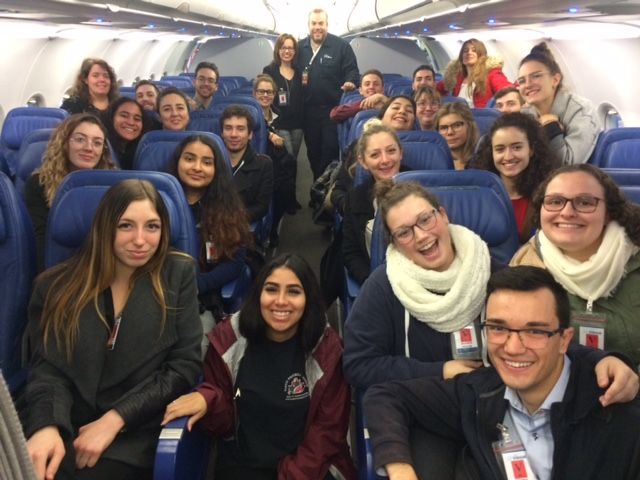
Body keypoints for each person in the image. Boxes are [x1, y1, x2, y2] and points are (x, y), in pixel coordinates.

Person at [364, 266, 640, 480]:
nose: (513, 347)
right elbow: (385, 396)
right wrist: (401, 470)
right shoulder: (478, 393)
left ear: (565, 340)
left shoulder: (615, 411)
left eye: (534, 331)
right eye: (498, 328)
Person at [23, 179, 202, 480]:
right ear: (105, 227)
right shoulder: (56, 286)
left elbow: (183, 367)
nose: (140, 240)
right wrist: (46, 425)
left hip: (133, 431)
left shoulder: (177, 275)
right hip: (66, 420)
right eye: (126, 226)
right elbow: (48, 370)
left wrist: (115, 419)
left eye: (152, 227)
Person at [162, 253, 357, 480]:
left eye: (293, 291)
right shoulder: (230, 340)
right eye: (271, 289)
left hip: (308, 468)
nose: (281, 301)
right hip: (244, 465)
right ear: (258, 294)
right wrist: (209, 398)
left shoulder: (327, 350)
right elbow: (224, 422)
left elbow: (327, 432)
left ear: (308, 299)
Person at [343, 181, 490, 392]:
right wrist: (439, 372)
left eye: (426, 219)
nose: (421, 236)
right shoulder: (382, 287)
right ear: (394, 243)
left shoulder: (488, 271)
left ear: (443, 215)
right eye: (404, 233)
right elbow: (359, 365)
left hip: (489, 402)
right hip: (419, 406)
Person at [510, 164, 640, 368]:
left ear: (608, 213)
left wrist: (633, 382)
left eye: (585, 202)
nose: (567, 212)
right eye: (555, 202)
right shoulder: (523, 264)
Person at [169, 135, 252, 323]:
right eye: (189, 159)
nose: (197, 168)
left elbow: (234, 263)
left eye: (207, 162)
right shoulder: (158, 204)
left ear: (216, 169)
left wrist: (197, 285)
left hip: (199, 299)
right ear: (177, 162)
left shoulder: (226, 208)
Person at [24, 113, 116, 272]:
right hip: (57, 268)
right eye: (80, 139)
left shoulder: (112, 184)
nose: (89, 148)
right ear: (65, 143)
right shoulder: (39, 183)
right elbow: (40, 240)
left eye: (97, 143)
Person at [474, 112, 560, 243]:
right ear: (491, 153)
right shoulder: (480, 196)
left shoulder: (549, 194)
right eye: (500, 149)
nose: (508, 156)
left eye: (517, 147)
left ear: (531, 149)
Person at [297, 8, 359, 180]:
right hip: (308, 112)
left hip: (332, 111)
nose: (318, 27)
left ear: (327, 25)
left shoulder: (341, 46)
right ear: (308, 26)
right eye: (314, 23)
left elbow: (352, 70)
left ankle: (322, 191)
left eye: (321, 23)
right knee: (312, 152)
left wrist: (351, 81)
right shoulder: (299, 47)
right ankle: (318, 184)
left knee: (329, 151)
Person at [518, 42, 601, 165]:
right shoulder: (526, 112)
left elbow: (567, 163)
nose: (528, 85)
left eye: (536, 76)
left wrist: (550, 127)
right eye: (522, 81)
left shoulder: (581, 111)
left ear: (555, 79)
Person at [342, 122, 405, 285]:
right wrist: (372, 283)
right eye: (375, 155)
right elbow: (351, 253)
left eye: (391, 151)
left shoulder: (426, 189)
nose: (385, 160)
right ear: (363, 162)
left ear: (401, 153)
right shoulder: (355, 198)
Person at [253, 74, 298, 245]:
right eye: (261, 92)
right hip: (256, 164)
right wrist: (268, 134)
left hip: (276, 164)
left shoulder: (278, 114)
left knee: (285, 190)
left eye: (269, 92)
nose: (265, 95)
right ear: (254, 93)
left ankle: (273, 226)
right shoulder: (249, 114)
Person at [219, 105, 274, 223]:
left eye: (240, 129)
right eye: (228, 128)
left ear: (250, 135)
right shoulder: (210, 162)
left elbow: (261, 207)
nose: (233, 134)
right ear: (222, 133)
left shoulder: (263, 164)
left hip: (242, 227)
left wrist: (230, 220)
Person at [262, 33, 305, 162]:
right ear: (278, 50)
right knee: (288, 157)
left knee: (293, 159)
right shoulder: (269, 70)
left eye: (290, 48)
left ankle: (290, 182)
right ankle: (287, 182)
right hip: (279, 123)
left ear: (295, 51)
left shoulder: (299, 72)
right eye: (283, 48)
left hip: (298, 124)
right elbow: (265, 96)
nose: (287, 51)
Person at [437, 38, 511, 108]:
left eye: (474, 50)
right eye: (465, 51)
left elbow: (508, 91)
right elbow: (436, 89)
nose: (469, 53)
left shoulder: (492, 74)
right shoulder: (457, 77)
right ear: (461, 56)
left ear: (481, 55)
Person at [105, 97, 149, 170]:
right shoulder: (103, 147)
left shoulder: (146, 151)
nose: (131, 122)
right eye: (124, 116)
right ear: (112, 118)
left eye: (137, 119)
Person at [434, 102, 479, 169]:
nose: (450, 132)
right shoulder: (431, 163)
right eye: (443, 128)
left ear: (470, 127)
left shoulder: (484, 160)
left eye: (457, 125)